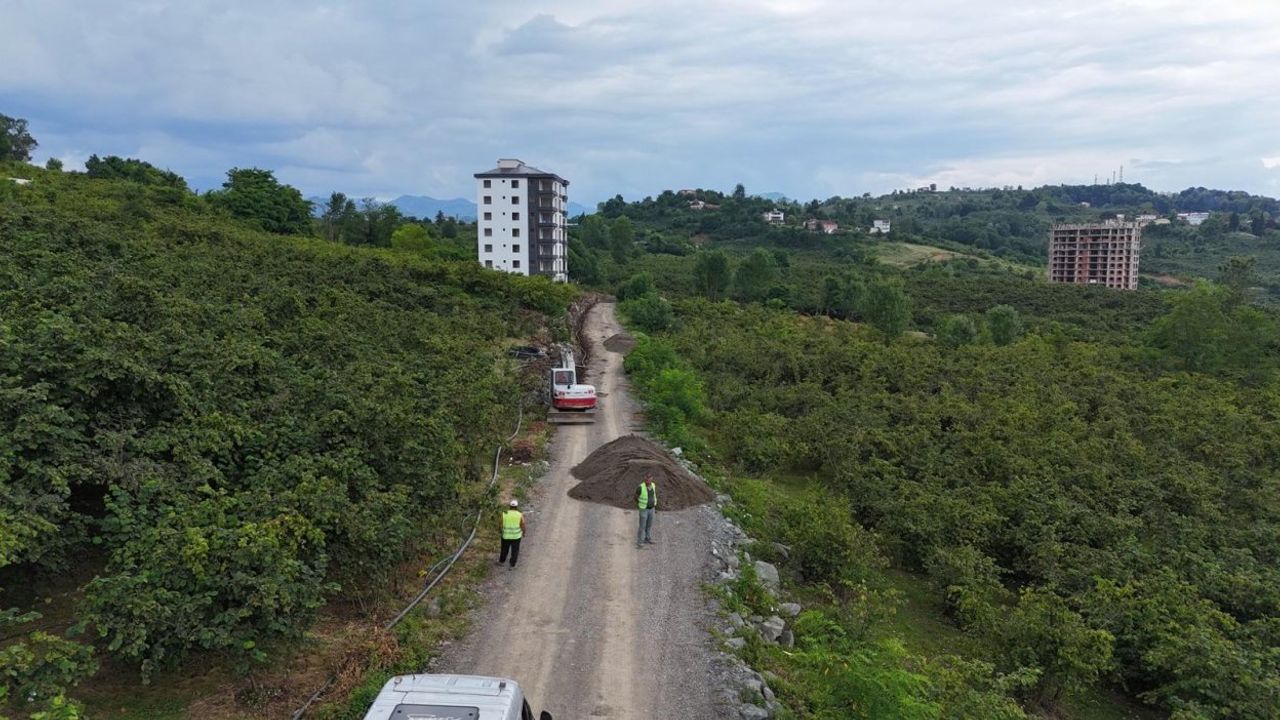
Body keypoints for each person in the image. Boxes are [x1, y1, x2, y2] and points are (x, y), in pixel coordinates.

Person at [498, 499, 525, 569]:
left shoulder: (504, 513)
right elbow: (522, 524)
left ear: (509, 506)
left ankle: (501, 561)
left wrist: (500, 531)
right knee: (515, 551)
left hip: (506, 535)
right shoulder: (519, 514)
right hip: (516, 536)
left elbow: (500, 523)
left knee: (504, 549)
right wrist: (524, 532)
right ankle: (512, 565)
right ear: (517, 506)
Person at [635, 475, 657, 547]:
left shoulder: (653, 485)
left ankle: (648, 538)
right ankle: (640, 542)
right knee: (642, 526)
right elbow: (635, 497)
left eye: (649, 479)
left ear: (651, 479)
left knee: (649, 525)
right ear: (645, 479)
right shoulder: (640, 487)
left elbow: (654, 495)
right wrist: (639, 504)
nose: (648, 481)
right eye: (647, 479)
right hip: (644, 509)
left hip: (652, 508)